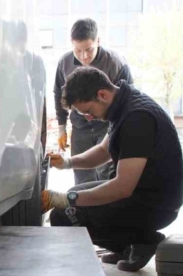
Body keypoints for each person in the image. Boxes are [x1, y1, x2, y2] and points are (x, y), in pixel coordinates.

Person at [42, 67, 183, 272]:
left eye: (89, 111)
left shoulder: (137, 117)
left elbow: (122, 188)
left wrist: (67, 199)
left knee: (63, 215)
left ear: (102, 94)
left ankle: (143, 240)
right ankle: (126, 247)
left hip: (155, 205)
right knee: (72, 200)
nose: (89, 118)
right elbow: (102, 151)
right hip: (142, 193)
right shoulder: (124, 105)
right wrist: (67, 163)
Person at [54, 18, 133, 185]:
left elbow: (128, 99)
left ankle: (103, 209)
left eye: (89, 50)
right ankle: (83, 209)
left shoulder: (116, 63)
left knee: (106, 174)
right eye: (78, 50)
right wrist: (62, 127)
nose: (84, 56)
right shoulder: (64, 63)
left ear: (98, 41)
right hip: (80, 127)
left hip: (108, 125)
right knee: (81, 177)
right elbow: (59, 94)